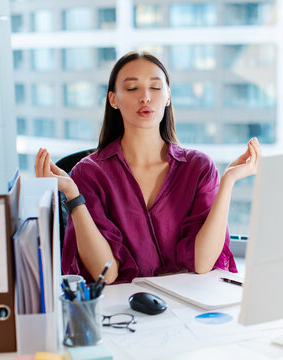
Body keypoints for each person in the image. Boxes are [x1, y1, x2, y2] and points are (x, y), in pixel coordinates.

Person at [35, 51, 261, 284]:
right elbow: (107, 274)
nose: (145, 97)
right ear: (113, 99)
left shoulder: (198, 168)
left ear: (168, 97)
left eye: (155, 88)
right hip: (125, 313)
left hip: (187, 308)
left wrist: (227, 182)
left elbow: (202, 263)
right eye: (132, 88)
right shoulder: (89, 173)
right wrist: (73, 196)